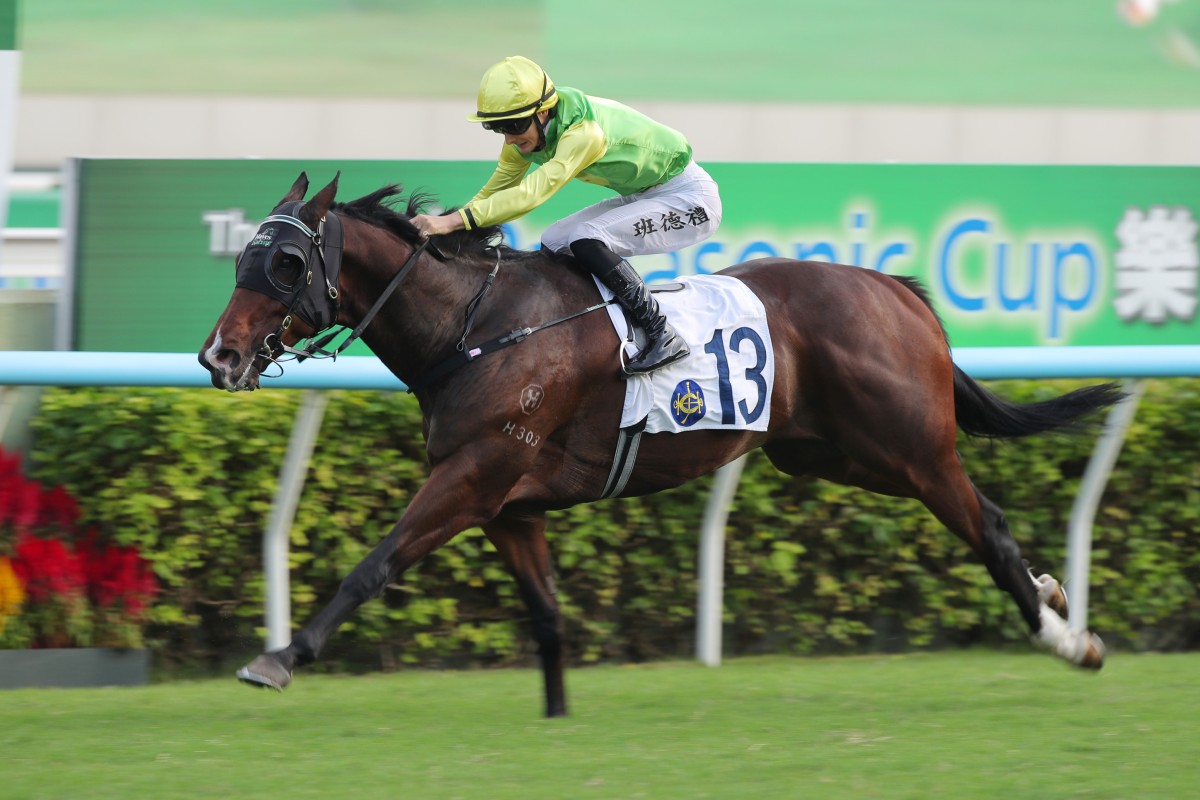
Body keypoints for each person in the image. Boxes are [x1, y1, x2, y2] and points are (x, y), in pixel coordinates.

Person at [410, 56, 723, 375]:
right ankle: (583, 328)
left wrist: (450, 222)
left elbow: (532, 194)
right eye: (498, 128)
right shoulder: (525, 139)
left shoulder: (583, 133)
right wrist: (449, 229)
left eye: (515, 126)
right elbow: (494, 192)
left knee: (586, 238)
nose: (509, 138)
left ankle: (661, 332)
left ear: (543, 112)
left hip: (689, 199)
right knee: (554, 240)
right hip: (645, 193)